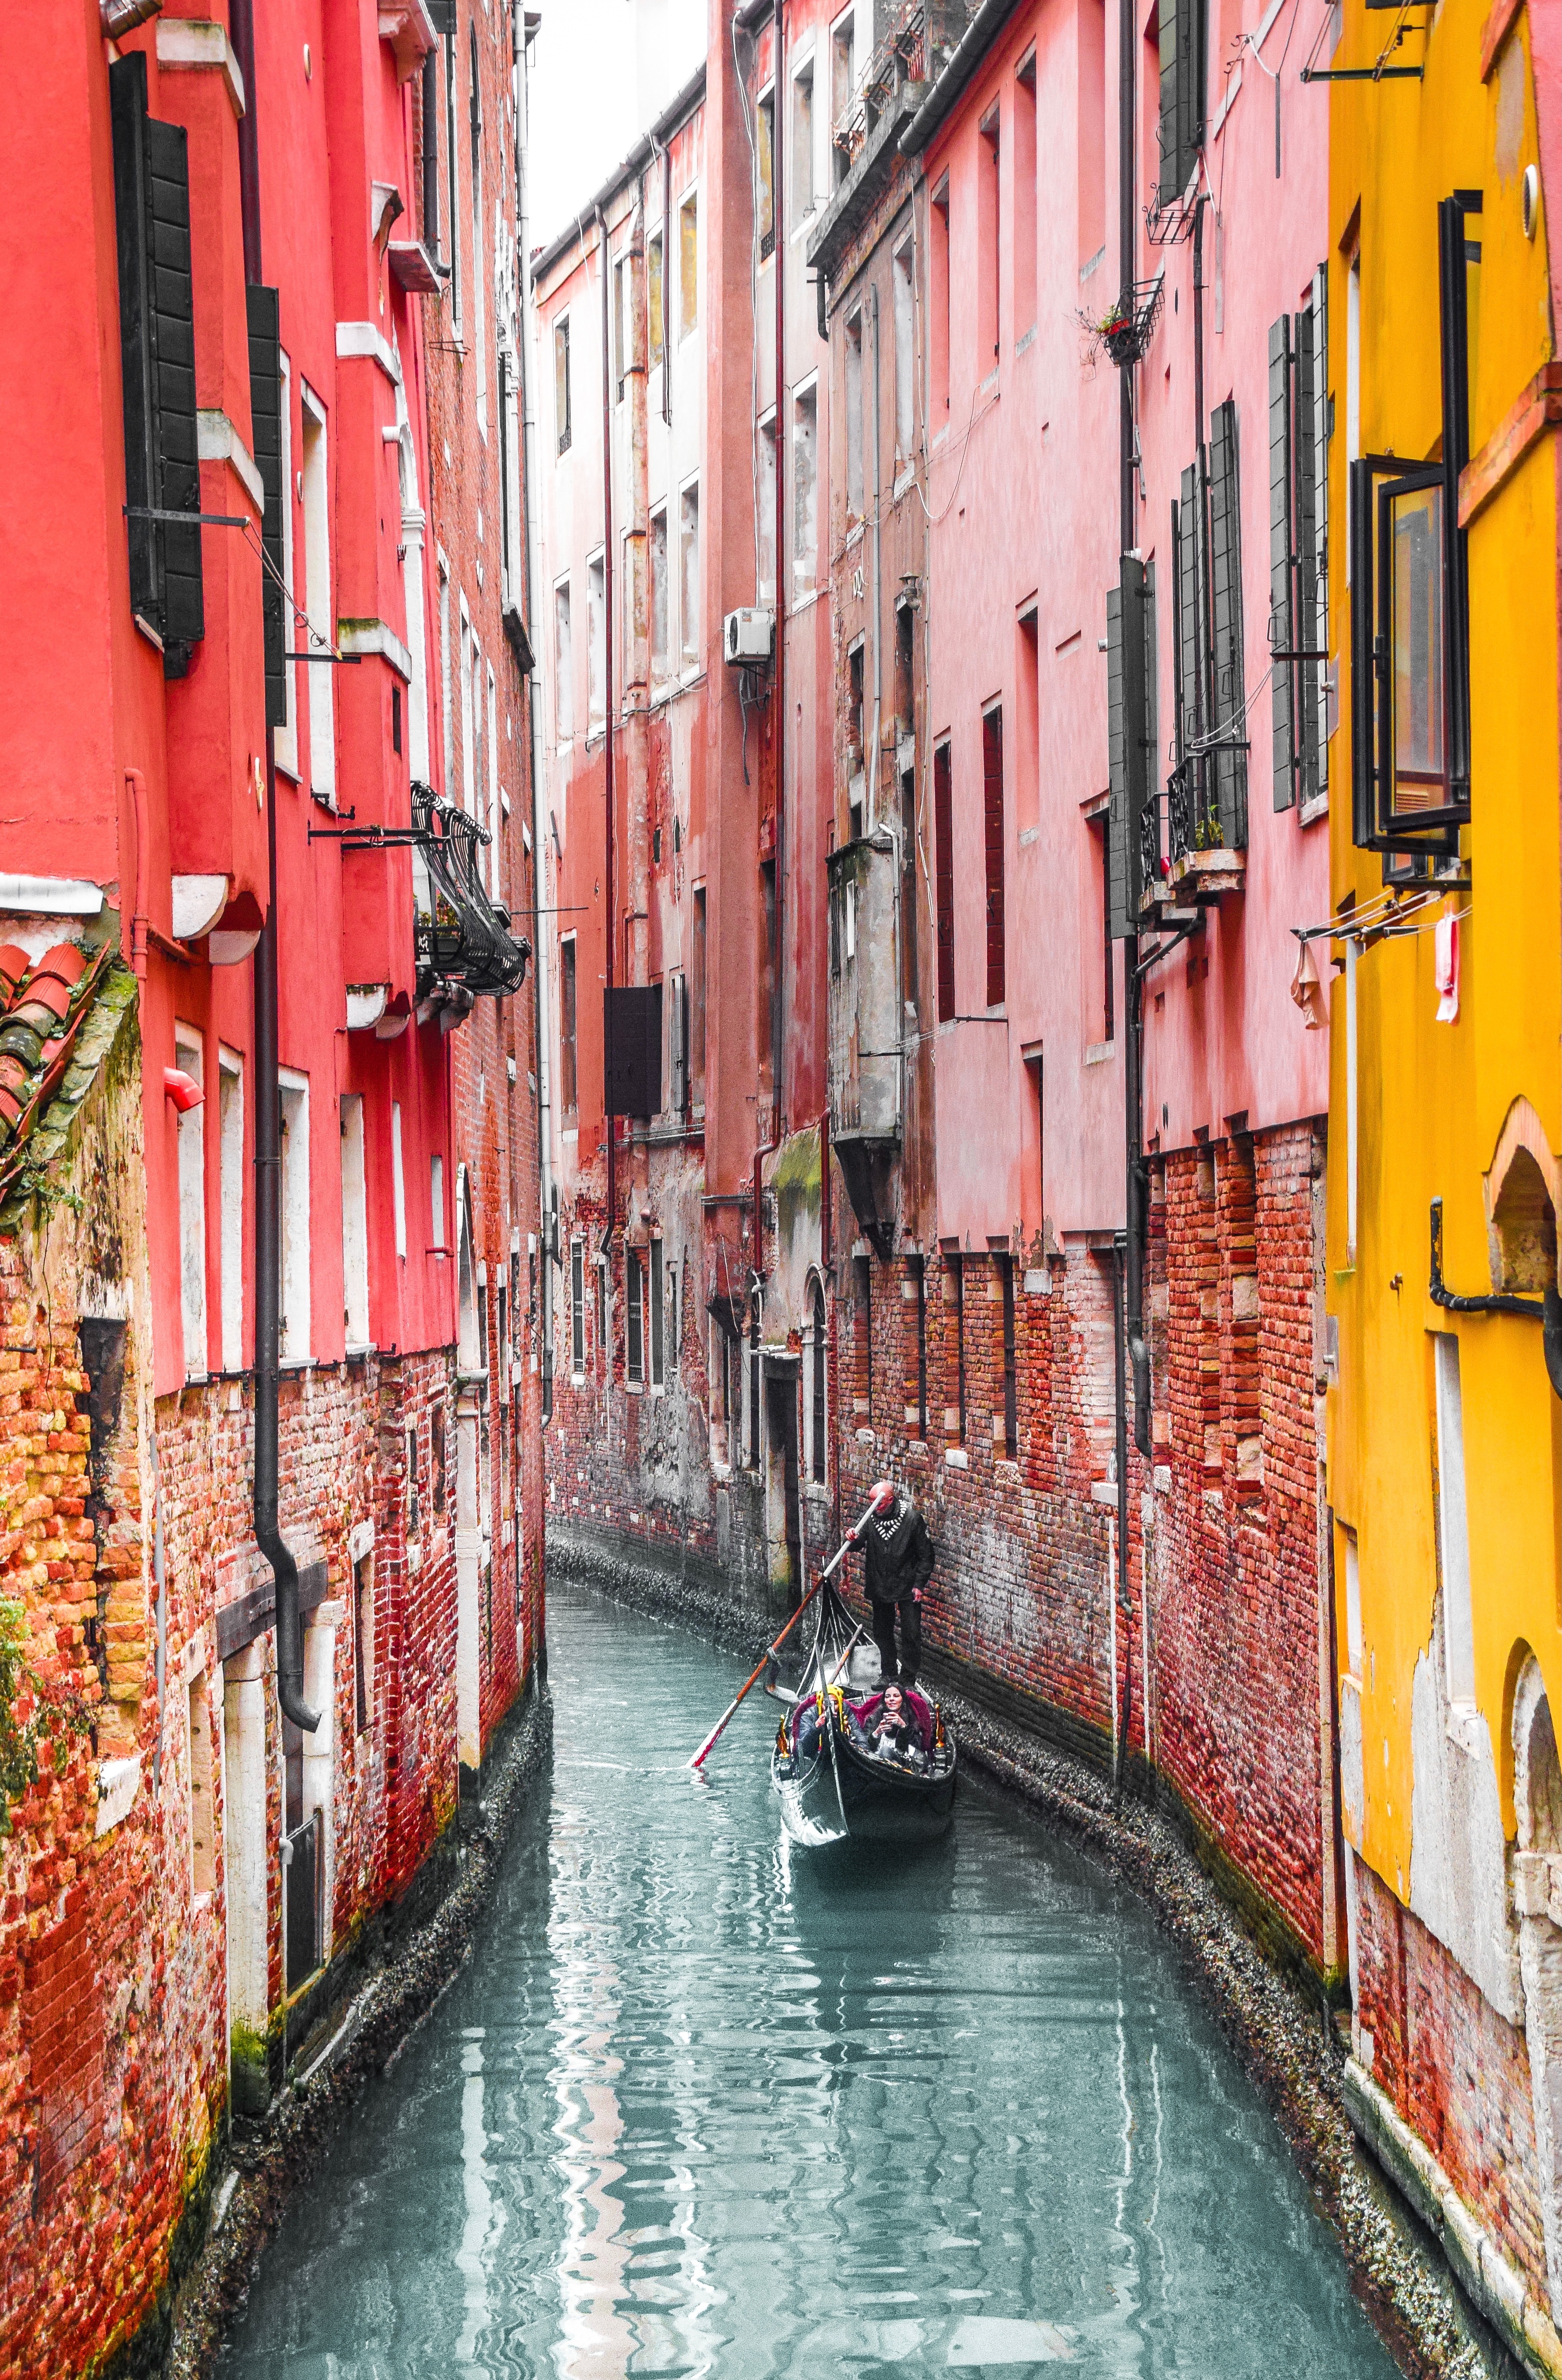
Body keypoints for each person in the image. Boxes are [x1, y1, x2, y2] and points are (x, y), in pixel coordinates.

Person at [856, 1477, 933, 1689]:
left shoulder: (912, 1519)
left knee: (911, 1633)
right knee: (882, 1632)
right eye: (871, 1503)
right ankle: (888, 1673)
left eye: (877, 1504)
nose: (874, 1508)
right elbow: (858, 1543)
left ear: (890, 1501)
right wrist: (851, 1538)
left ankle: (907, 1680)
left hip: (908, 1586)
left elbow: (926, 1556)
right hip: (880, 1584)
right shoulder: (871, 1518)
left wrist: (919, 1584)